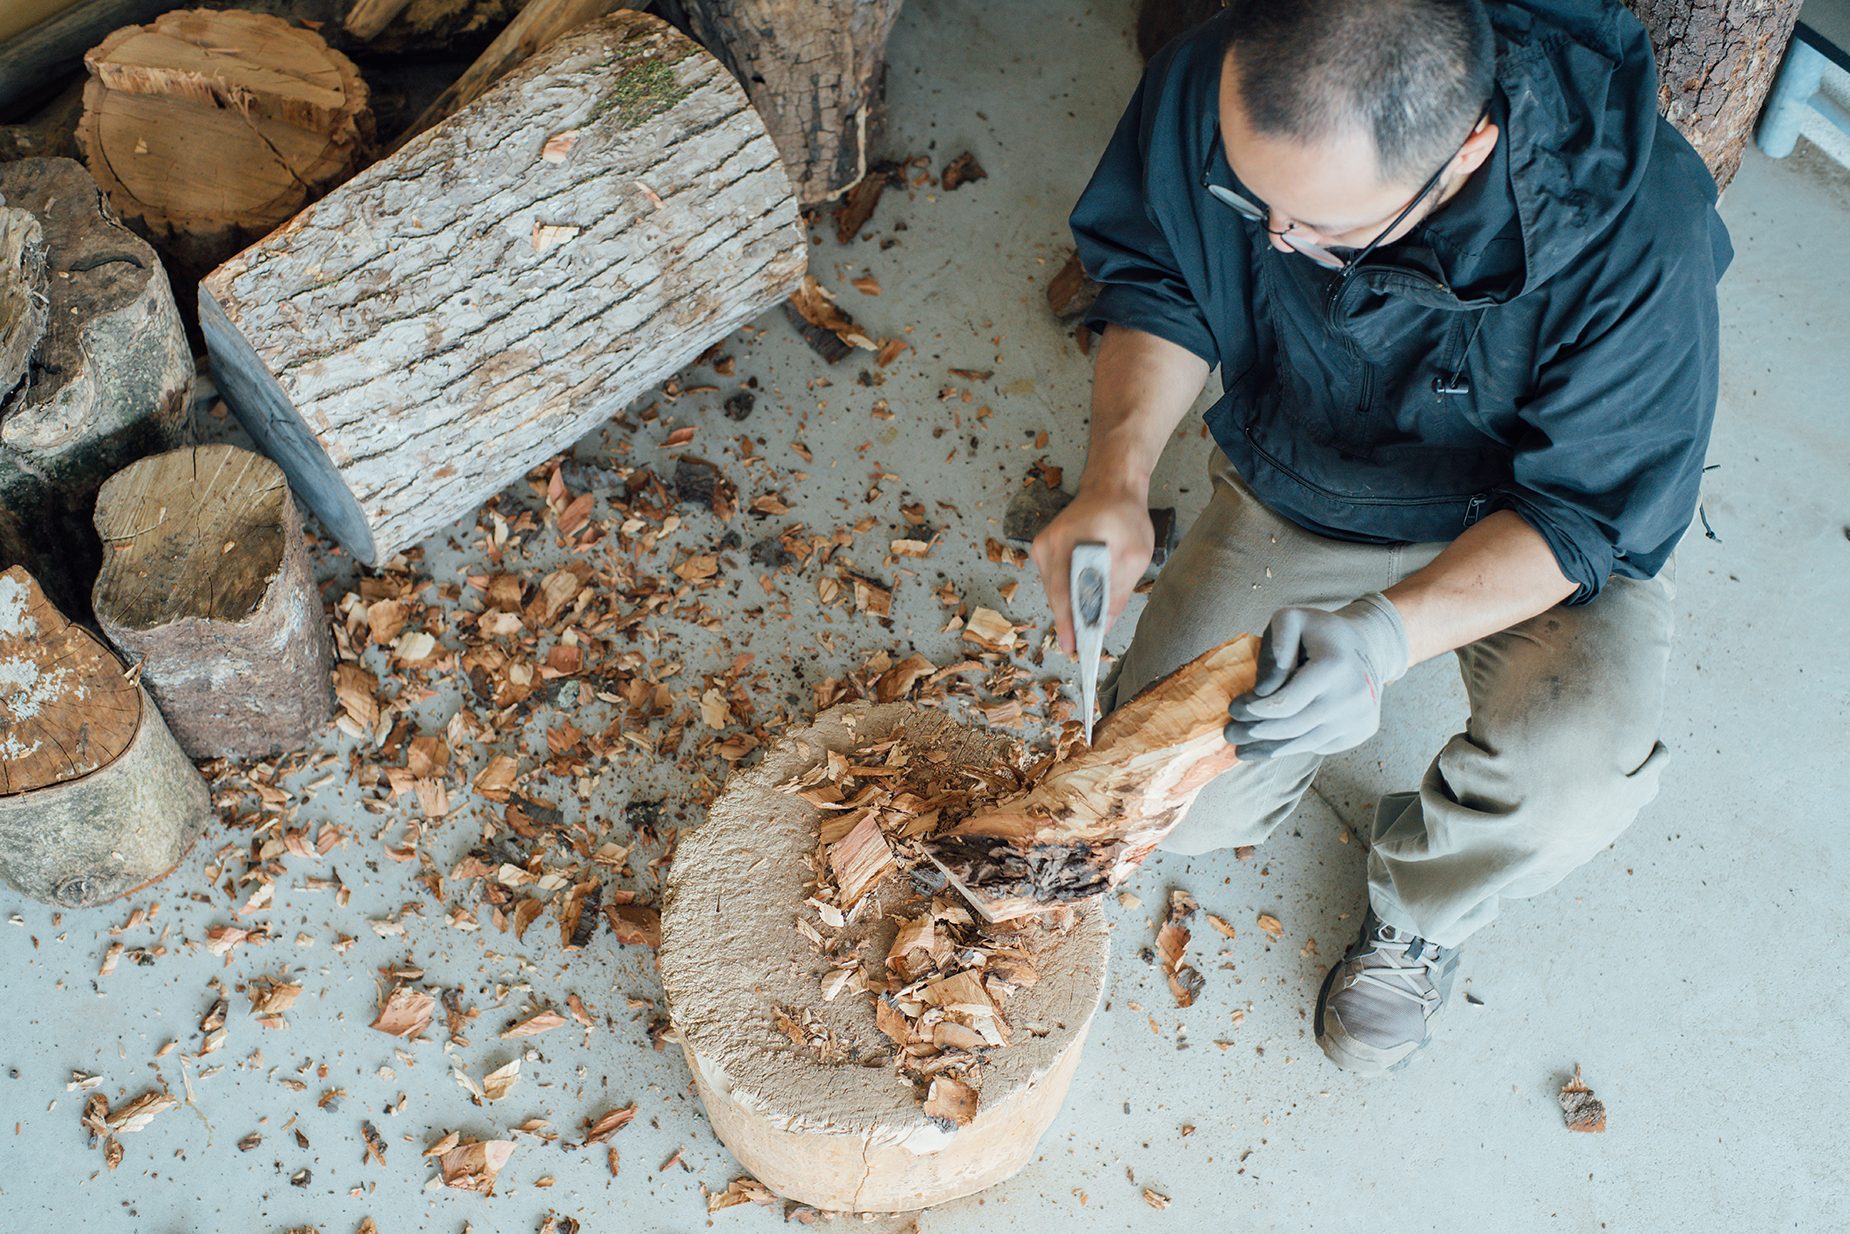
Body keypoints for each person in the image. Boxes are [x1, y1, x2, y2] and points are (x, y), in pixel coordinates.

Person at [1034, 0, 1731, 1075]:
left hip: (1528, 531)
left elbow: (1586, 513)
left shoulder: (1641, 234)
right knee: (1166, 801)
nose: (1276, 239)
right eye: (1250, 197)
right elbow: (1160, 273)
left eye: (1323, 228)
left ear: (1466, 153)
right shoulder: (1225, 79)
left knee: (1574, 771)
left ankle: (1422, 914)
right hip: (1309, 473)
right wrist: (1115, 479)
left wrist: (1380, 639)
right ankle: (1290, 745)